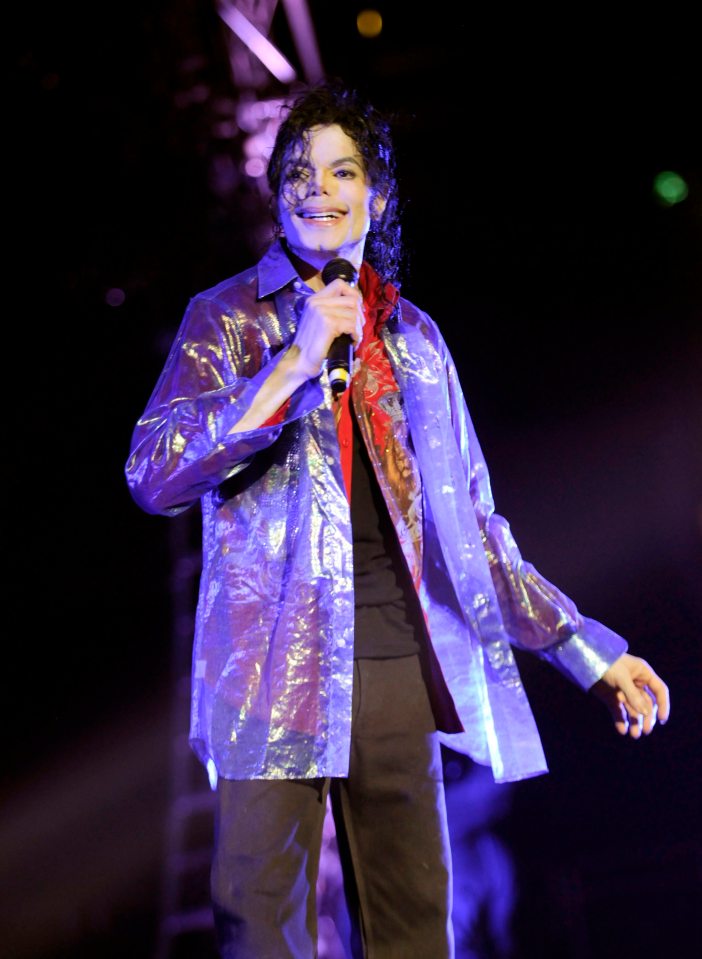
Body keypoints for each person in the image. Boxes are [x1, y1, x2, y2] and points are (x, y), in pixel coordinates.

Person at [125, 78, 671, 959]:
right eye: (298, 171)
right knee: (261, 925)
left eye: (342, 172)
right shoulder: (225, 318)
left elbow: (475, 531)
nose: (318, 188)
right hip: (270, 672)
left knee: (415, 926)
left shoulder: (414, 338)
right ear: (275, 192)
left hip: (392, 666)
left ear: (374, 197)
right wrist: (293, 366)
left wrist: (585, 648)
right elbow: (153, 473)